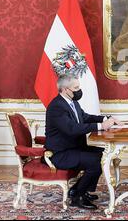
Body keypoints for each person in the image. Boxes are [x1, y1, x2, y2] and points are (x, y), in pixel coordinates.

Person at [44, 74, 123, 209]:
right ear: (64, 89)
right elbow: (71, 129)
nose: (79, 90)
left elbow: (85, 117)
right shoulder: (56, 106)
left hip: (74, 148)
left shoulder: (72, 102)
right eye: (75, 87)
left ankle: (79, 189)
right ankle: (77, 197)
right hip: (61, 153)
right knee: (95, 161)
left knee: (104, 154)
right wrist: (101, 127)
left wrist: (106, 118)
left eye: (78, 86)